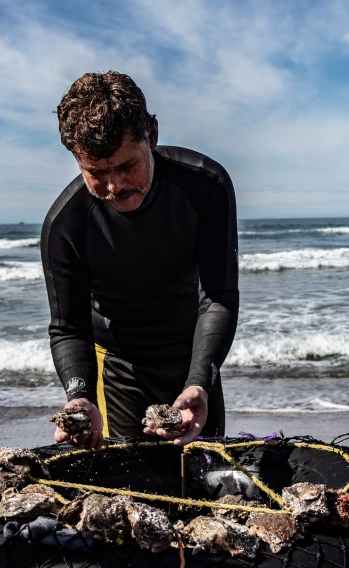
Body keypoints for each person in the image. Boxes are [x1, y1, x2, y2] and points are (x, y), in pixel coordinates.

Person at [41, 71, 239, 449]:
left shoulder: (205, 185)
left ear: (152, 136)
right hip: (118, 368)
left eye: (126, 166)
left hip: (194, 355)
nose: (114, 186)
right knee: (130, 482)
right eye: (96, 172)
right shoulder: (66, 223)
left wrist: (200, 380)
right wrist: (79, 396)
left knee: (208, 475)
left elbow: (218, 296)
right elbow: (69, 328)